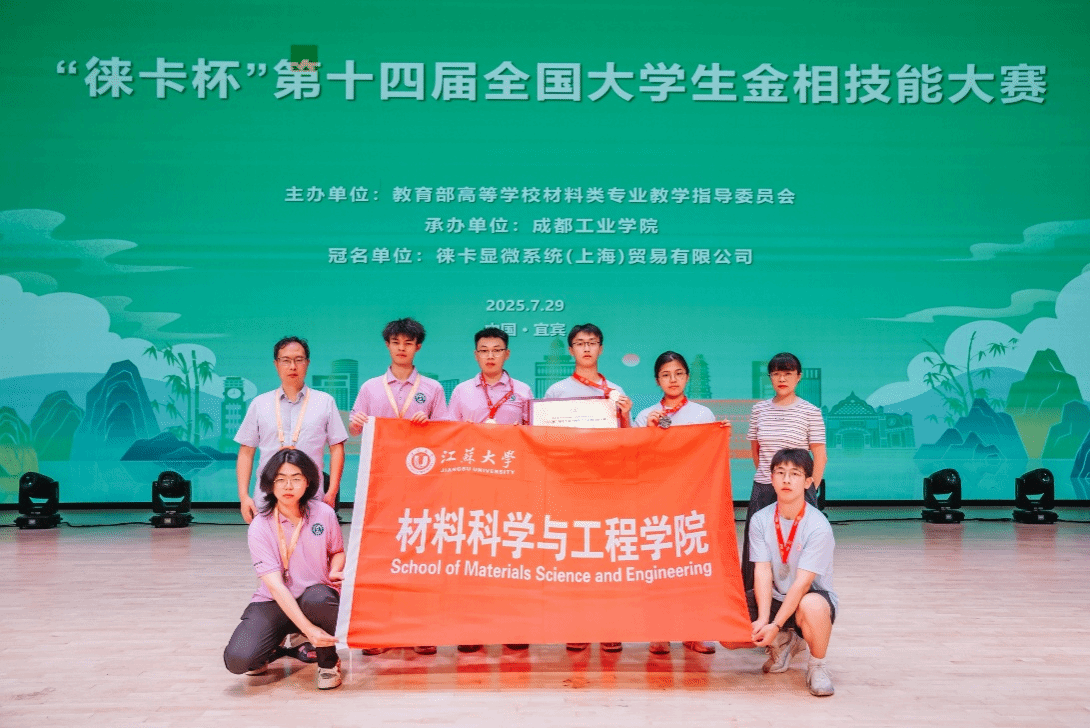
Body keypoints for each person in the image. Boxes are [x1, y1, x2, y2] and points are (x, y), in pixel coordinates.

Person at [348, 317, 447, 656]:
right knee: (380, 557)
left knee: (419, 555)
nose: (401, 348)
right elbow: (355, 429)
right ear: (387, 345)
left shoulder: (432, 388)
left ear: (418, 346)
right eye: (395, 342)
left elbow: (445, 433)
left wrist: (429, 424)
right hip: (380, 483)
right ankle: (379, 631)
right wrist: (357, 423)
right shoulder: (371, 388)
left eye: (408, 343)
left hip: (420, 484)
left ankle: (420, 629)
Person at [223, 449, 345, 690]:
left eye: (296, 478)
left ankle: (329, 663)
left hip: (314, 597)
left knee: (320, 599)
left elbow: (337, 551)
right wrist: (308, 630)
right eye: (281, 479)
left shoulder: (324, 513)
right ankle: (271, 646)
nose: (288, 486)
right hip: (274, 602)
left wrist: (334, 571)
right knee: (238, 660)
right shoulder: (260, 525)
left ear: (308, 482)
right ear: (270, 483)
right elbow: (276, 587)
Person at [544, 323, 632, 653]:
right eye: (580, 343)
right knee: (574, 557)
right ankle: (577, 625)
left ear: (601, 348)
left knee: (607, 555)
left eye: (592, 343)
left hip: (607, 482)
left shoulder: (615, 390)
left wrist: (626, 415)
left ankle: (609, 625)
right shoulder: (556, 392)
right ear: (571, 350)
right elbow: (544, 438)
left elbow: (627, 441)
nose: (586, 348)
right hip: (569, 484)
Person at [445, 326, 534, 654]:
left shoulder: (522, 391)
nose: (490, 356)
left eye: (497, 350)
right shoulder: (462, 392)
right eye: (484, 350)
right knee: (473, 556)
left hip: (512, 484)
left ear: (507, 354)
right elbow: (449, 435)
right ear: (476, 355)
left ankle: (513, 626)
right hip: (472, 484)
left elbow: (533, 435)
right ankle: (471, 628)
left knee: (511, 554)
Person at [635, 351, 726, 656]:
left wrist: (719, 435)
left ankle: (695, 631)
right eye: (665, 375)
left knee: (692, 567)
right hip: (657, 504)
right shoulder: (645, 416)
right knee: (657, 568)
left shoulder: (702, 415)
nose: (672, 380)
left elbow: (710, 459)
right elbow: (635, 460)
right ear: (657, 380)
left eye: (678, 374)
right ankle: (659, 631)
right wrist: (648, 433)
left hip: (692, 503)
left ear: (687, 377)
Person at [739, 448, 837, 697]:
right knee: (730, 626)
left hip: (808, 597)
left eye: (795, 474)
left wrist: (775, 624)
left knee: (812, 605)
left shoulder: (818, 525)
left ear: (808, 482)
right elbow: (762, 571)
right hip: (775, 597)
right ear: (771, 478)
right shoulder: (760, 519)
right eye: (780, 472)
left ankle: (817, 666)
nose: (786, 479)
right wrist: (763, 619)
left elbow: (802, 584)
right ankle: (782, 643)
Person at [235, 336, 348, 524]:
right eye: (286, 360)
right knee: (268, 542)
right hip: (267, 496)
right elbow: (246, 452)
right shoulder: (260, 404)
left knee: (311, 542)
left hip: (311, 495)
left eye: (299, 360)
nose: (292, 366)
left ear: (307, 363)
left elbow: (337, 448)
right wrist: (244, 496)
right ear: (276, 364)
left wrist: (332, 492)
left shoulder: (325, 402)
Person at [742, 352, 827, 591]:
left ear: (798, 377)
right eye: (776, 374)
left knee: (799, 545)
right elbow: (756, 451)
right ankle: (755, 599)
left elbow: (820, 455)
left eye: (788, 373)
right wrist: (771, 478)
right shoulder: (759, 410)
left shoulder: (810, 411)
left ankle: (801, 599)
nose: (782, 379)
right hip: (764, 487)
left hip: (798, 491)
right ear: (770, 377)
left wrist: (809, 488)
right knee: (758, 547)